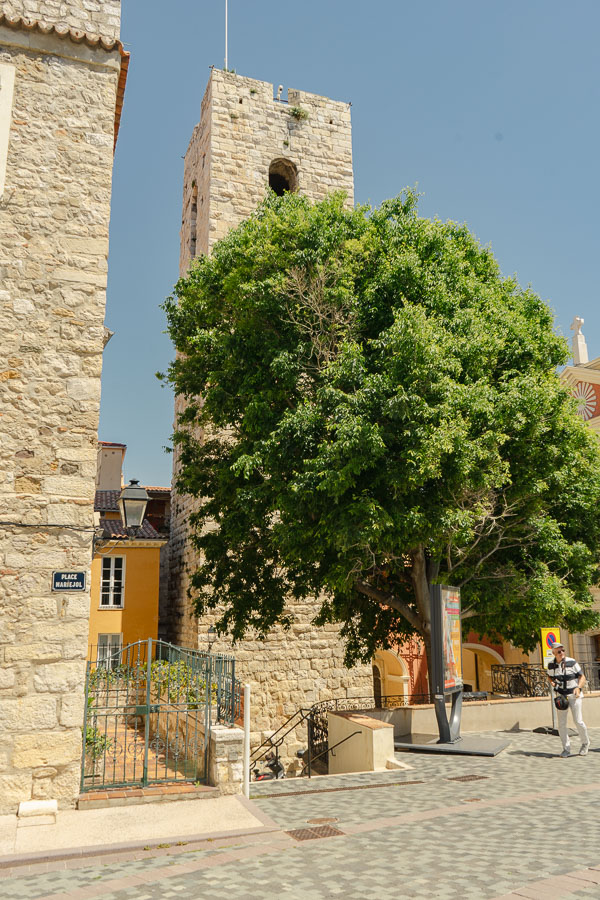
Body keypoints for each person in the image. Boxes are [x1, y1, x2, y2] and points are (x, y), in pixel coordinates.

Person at [547, 641, 590, 757]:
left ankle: (585, 744)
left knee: (578, 721)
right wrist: (553, 683)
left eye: (563, 650)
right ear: (554, 653)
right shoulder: (551, 665)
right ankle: (566, 748)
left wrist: (578, 687)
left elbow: (582, 676)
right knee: (561, 724)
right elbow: (549, 677)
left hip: (574, 695)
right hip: (561, 697)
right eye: (559, 651)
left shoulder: (572, 662)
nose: (562, 653)